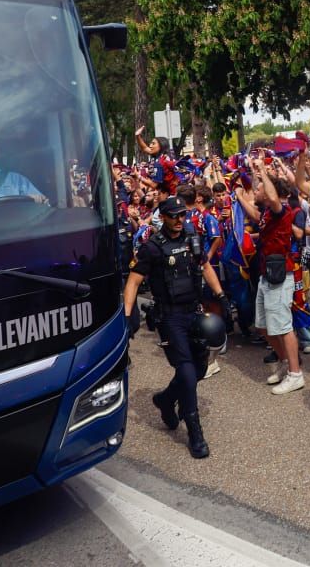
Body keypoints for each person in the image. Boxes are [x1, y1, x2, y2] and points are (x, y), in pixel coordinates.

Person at [123, 195, 233, 459]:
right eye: (174, 216)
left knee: (199, 368)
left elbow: (205, 266)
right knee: (185, 372)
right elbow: (133, 282)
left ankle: (164, 399)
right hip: (170, 317)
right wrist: (129, 316)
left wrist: (220, 296)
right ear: (164, 216)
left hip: (193, 311)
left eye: (182, 215)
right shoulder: (152, 247)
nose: (179, 220)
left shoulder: (191, 237)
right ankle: (195, 431)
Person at [235, 160, 306, 394]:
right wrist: (243, 195)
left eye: (258, 188)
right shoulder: (266, 212)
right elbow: (256, 213)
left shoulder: (280, 209)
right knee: (264, 326)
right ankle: (287, 363)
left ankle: (296, 374)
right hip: (267, 274)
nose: (255, 190)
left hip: (279, 275)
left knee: (283, 326)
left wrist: (264, 172)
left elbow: (273, 199)